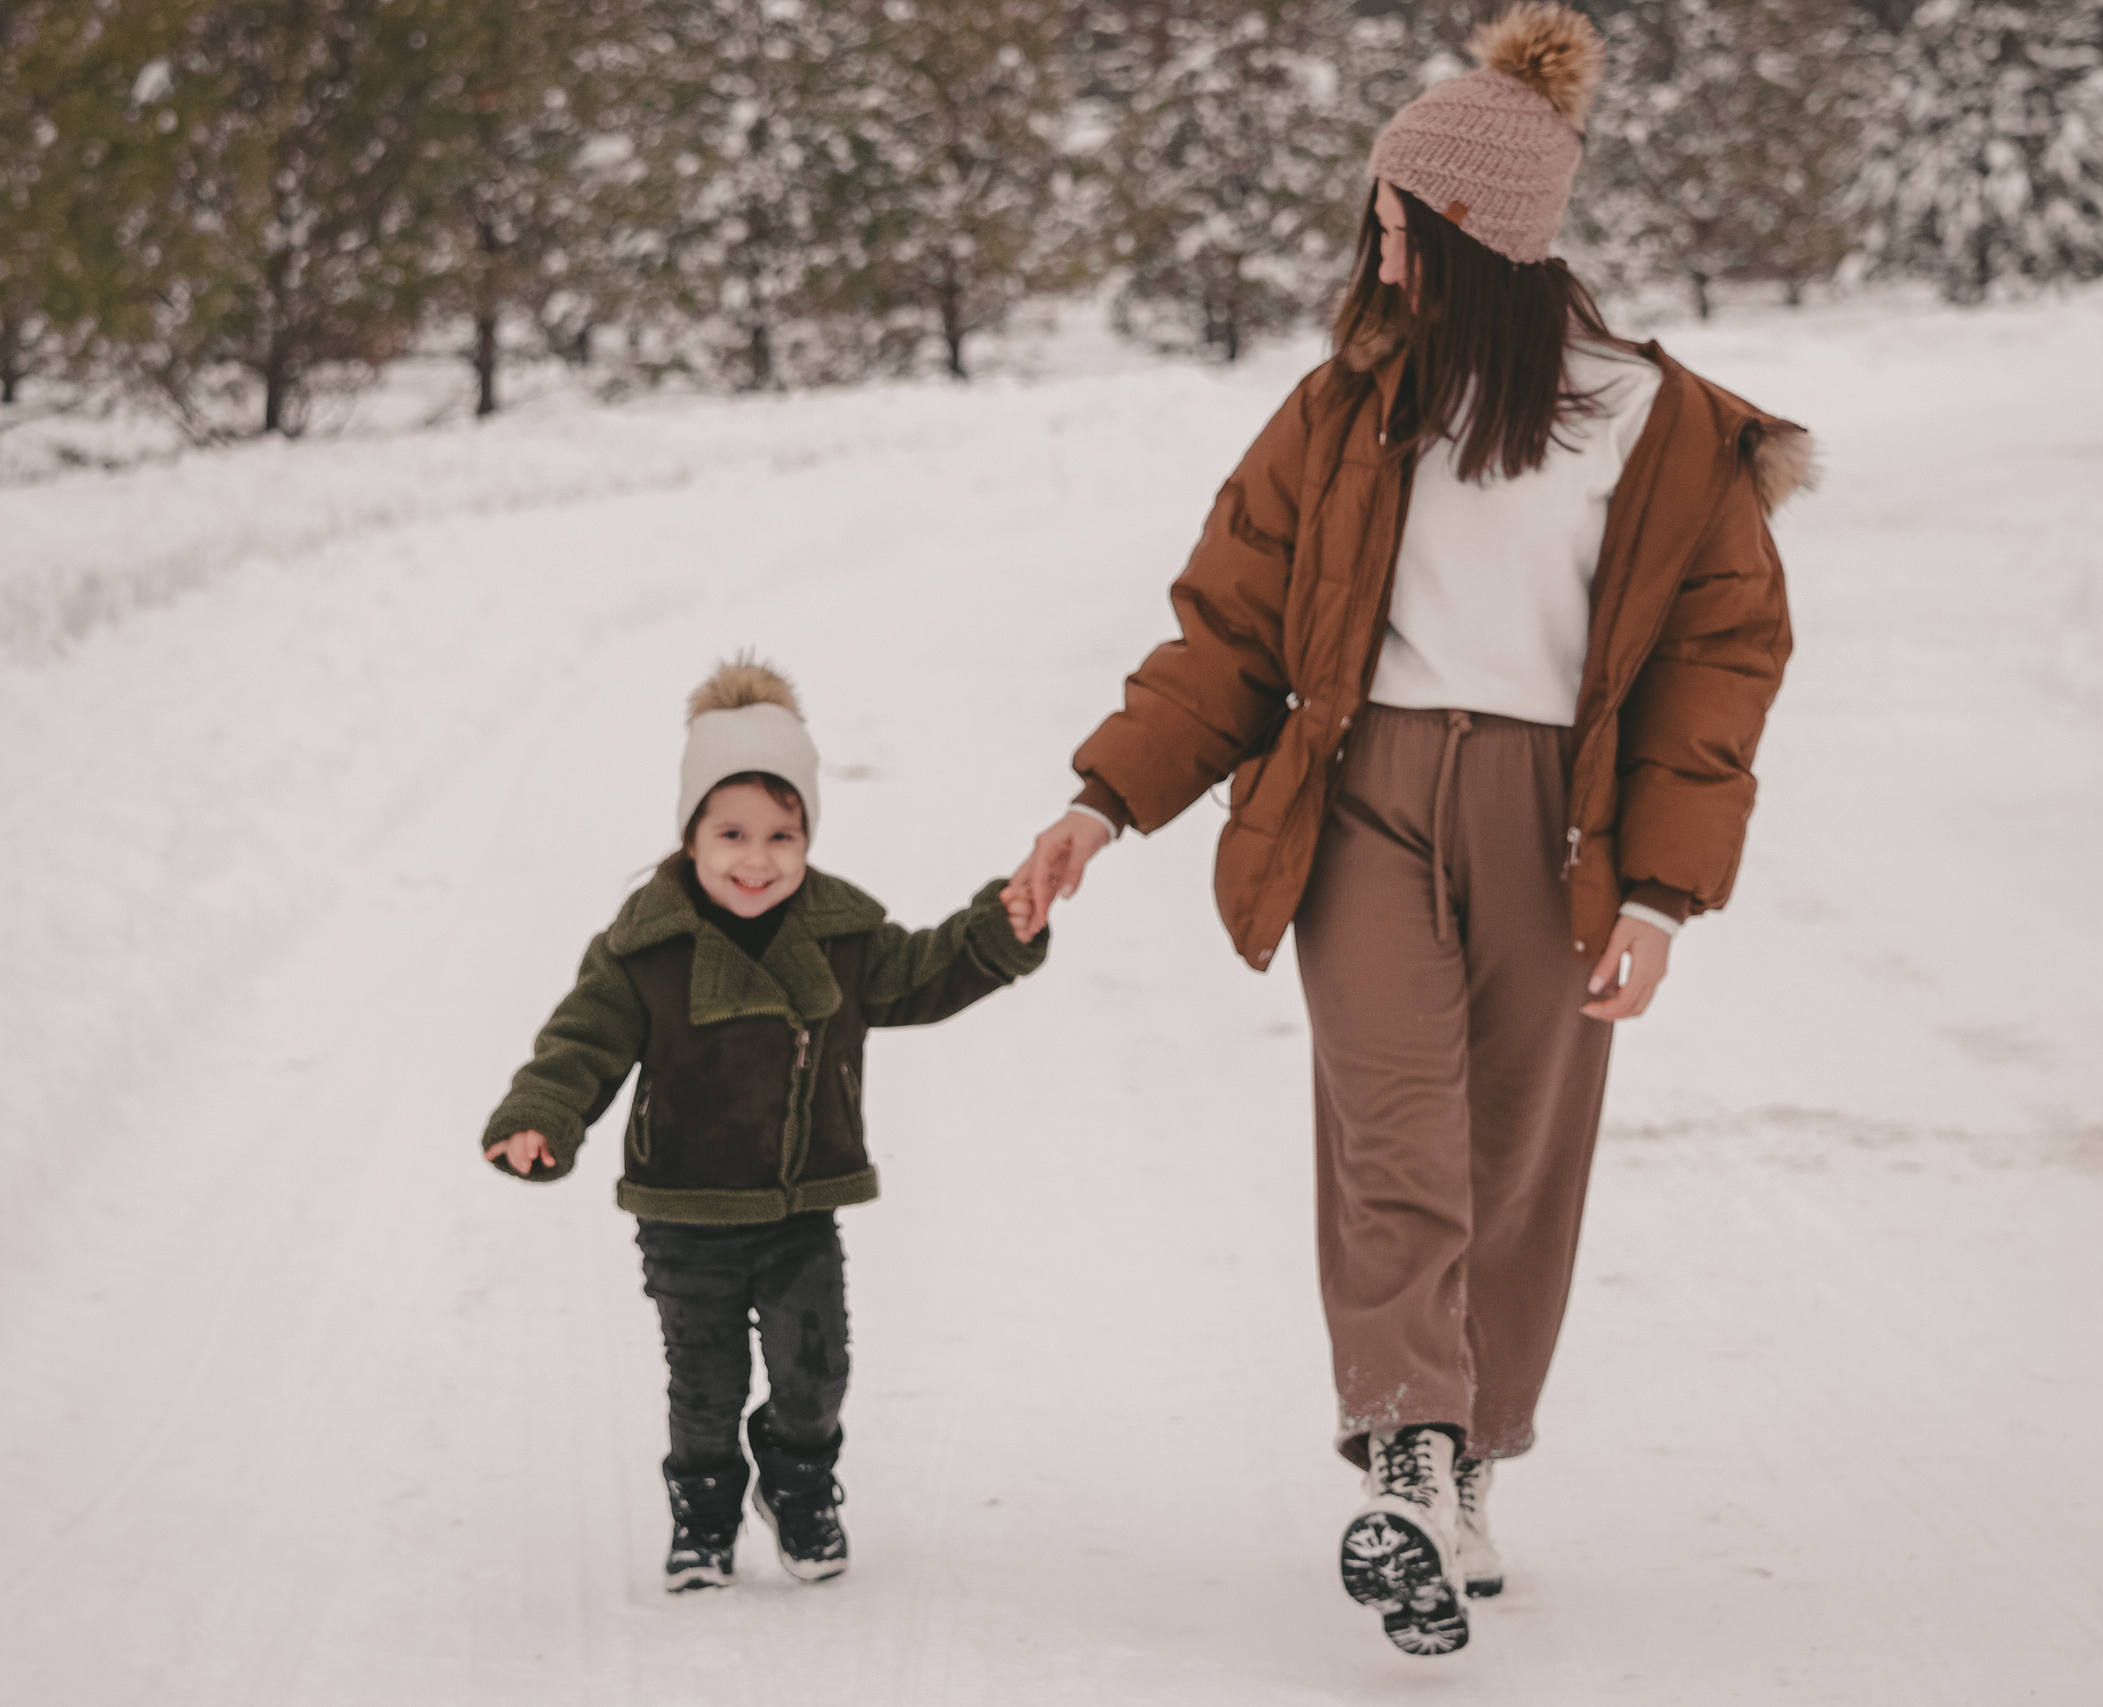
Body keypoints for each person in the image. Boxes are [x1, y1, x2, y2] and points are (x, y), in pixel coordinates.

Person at [1001, 2, 1812, 1659]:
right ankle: (1407, 1446)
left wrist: (1660, 889)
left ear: (1480, 235)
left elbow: (1721, 661)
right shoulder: (1344, 408)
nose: (1374, 252)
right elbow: (1230, 625)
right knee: (1394, 1133)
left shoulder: (1652, 428)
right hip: (1361, 799)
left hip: (1553, 822)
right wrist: (1104, 799)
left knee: (1513, 1149)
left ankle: (1471, 1454)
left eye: (1398, 222)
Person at [485, 657, 1048, 1592]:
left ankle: (797, 1484)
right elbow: (580, 1041)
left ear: (808, 835)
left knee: (814, 1369)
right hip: (684, 1209)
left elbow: (921, 975)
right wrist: (541, 1113)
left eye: (783, 834)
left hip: (798, 1204)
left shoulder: (839, 935)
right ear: (691, 835)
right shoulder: (644, 948)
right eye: (732, 832)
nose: (758, 859)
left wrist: (997, 929)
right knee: (704, 1387)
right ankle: (703, 1519)